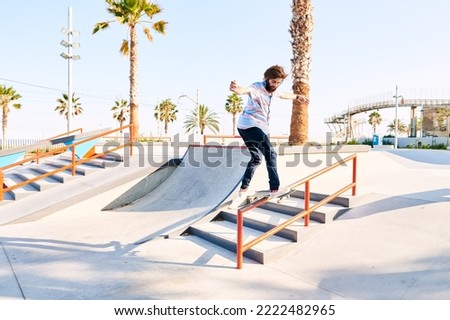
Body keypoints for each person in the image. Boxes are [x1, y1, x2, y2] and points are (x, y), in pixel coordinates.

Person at [229, 64, 308, 198]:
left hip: (259, 127)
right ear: (267, 79)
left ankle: (243, 189)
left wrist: (297, 96)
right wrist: (237, 90)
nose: (275, 85)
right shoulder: (257, 87)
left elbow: (283, 95)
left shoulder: (275, 89)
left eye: (278, 82)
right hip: (250, 124)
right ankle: (275, 188)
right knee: (271, 154)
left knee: (256, 158)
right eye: (273, 82)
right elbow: (245, 90)